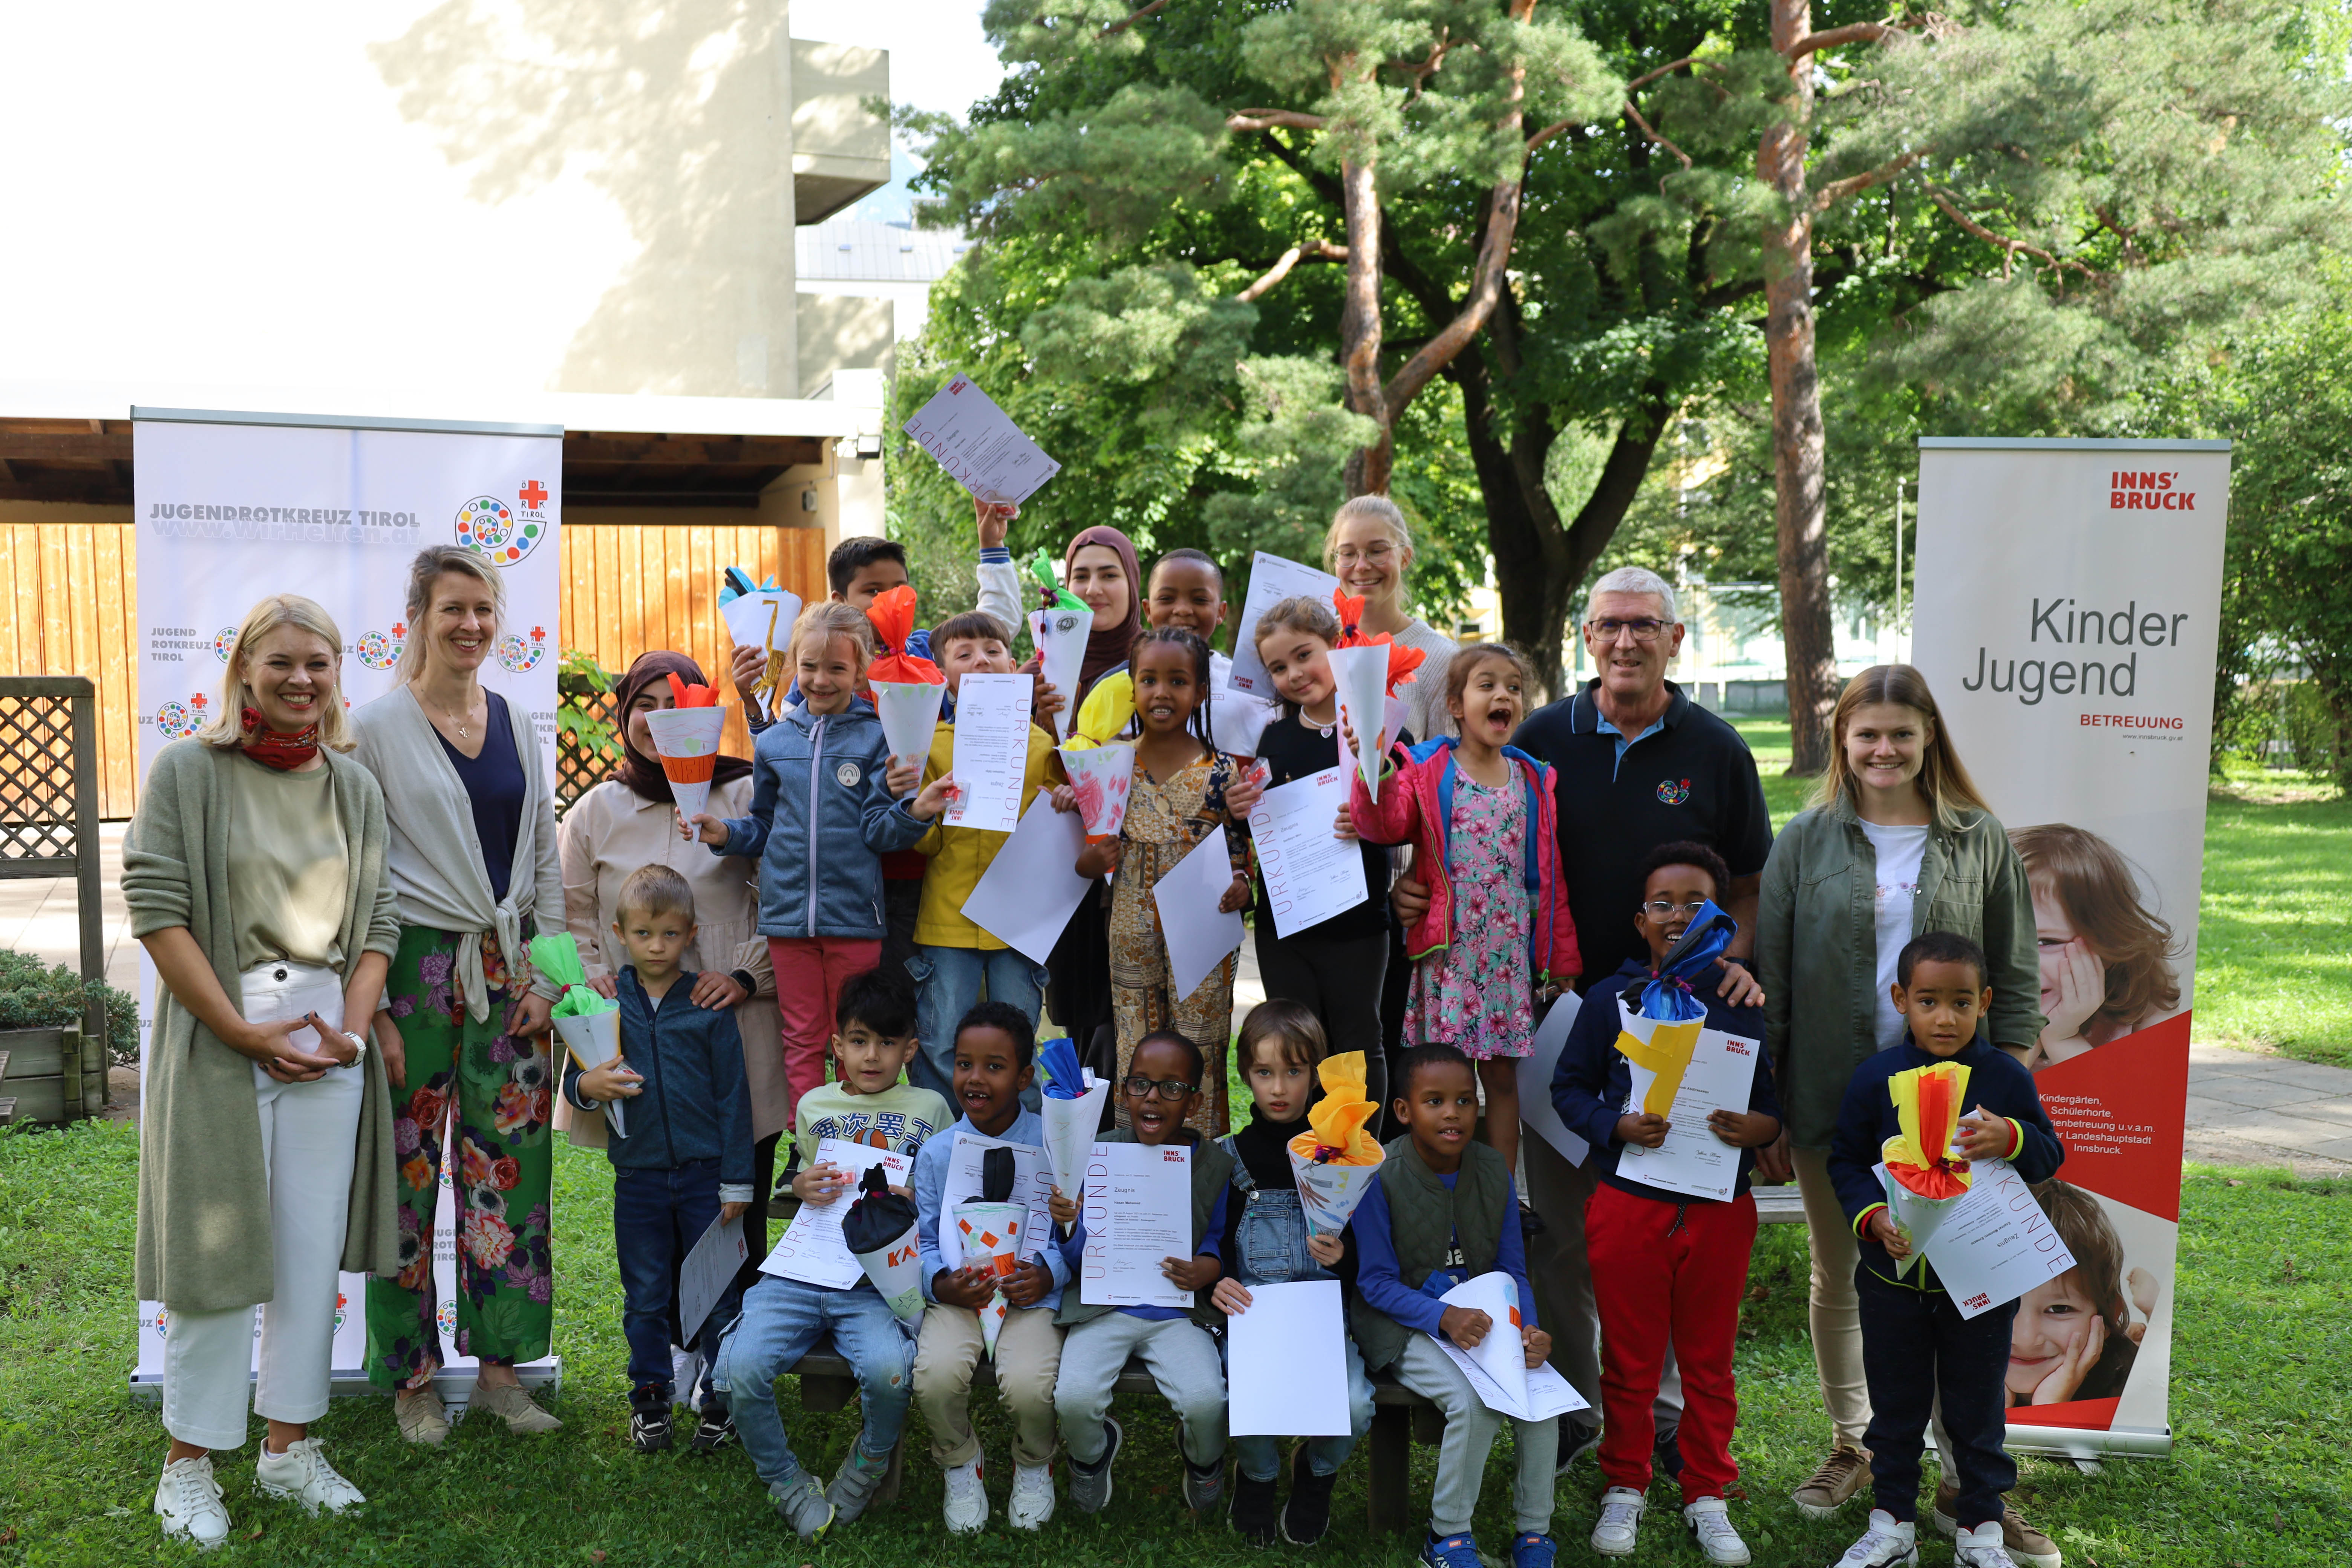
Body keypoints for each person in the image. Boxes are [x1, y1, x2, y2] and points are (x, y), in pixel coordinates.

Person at [1413, 565, 1774, 1468]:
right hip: (1563, 1020)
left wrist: (1726, 964)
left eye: (1644, 626)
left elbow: (1748, 885)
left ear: (1674, 639)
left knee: (1663, 1219)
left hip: (1680, 1022)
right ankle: (1577, 1404)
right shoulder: (1538, 737)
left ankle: (1650, 1413)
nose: (1625, 641)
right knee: (1573, 1230)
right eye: (1609, 625)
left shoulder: (1717, 749)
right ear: (1586, 636)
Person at [127, 594, 401, 1545]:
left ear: (337, 674)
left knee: (305, 1252)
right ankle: (189, 1464)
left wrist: (352, 1037)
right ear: (244, 666)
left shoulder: (354, 786)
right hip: (222, 1038)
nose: (300, 680)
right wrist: (245, 1034)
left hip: (330, 1044)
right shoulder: (187, 773)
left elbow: (378, 929)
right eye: (281, 662)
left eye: (318, 664)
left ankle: (288, 1448)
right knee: (218, 1252)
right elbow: (158, 910)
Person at [1756, 665, 2047, 1542]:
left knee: (1964, 1280)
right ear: (1842, 740)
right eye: (1865, 734)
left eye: (1900, 734)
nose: (1882, 750)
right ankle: (1856, 1445)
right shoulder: (1802, 840)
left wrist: (2006, 1094)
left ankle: (1968, 1480)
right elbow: (1771, 986)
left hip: (1957, 1111)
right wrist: (1770, 1106)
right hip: (1833, 1099)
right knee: (1843, 1269)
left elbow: (2018, 976)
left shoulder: (1978, 838)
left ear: (1928, 739)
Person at [354, 545, 565, 1441]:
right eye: (453, 609)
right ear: (418, 617)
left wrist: (552, 979)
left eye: (484, 608)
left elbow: (544, 863)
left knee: (512, 1178)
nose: (472, 625)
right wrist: (366, 1011)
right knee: (404, 1180)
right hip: (411, 972)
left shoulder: (518, 721)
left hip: (509, 972)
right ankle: (411, 1379)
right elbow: (358, 875)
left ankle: (502, 1372)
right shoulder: (373, 728)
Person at [1550, 843, 1781, 1566]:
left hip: (1717, 1208)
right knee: (1628, 1357)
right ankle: (1625, 1483)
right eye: (1663, 903)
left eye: (1695, 903)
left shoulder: (1741, 1001)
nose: (1677, 915)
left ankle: (1707, 1490)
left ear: (1720, 918)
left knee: (1709, 1361)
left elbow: (1771, 1110)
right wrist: (1612, 1126)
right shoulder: (1608, 1000)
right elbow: (1569, 1090)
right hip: (1631, 1203)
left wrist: (1757, 1130)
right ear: (1640, 918)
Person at [1826, 932, 2064, 1568]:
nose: (1945, 1017)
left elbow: (2050, 1155)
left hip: (1982, 1285)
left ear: (1985, 1002)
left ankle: (1980, 1534)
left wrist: (2011, 1136)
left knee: (1978, 1413)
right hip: (1892, 1282)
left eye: (1961, 1002)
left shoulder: (2007, 1079)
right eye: (1928, 1001)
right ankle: (1891, 1527)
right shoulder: (1877, 1078)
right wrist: (1871, 1216)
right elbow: (1846, 1159)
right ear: (1902, 1000)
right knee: (1896, 1411)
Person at [732, 499, 1027, 982]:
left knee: (915, 1000)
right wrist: (751, 704)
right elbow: (786, 755)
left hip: (925, 864)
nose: (888, 598)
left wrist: (993, 549)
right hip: (851, 880)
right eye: (872, 590)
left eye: (899, 587)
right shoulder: (809, 680)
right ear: (839, 598)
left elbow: (994, 632)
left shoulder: (924, 653)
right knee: (865, 1007)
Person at [557, 651, 789, 1261]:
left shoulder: (744, 793)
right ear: (624, 712)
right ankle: (669, 1343)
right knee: (654, 1205)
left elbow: (785, 896)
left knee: (740, 1200)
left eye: (677, 705)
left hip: (736, 1018)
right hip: (637, 1030)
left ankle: (728, 1345)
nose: (661, 719)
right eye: (647, 705)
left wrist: (746, 974)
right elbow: (570, 910)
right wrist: (594, 980)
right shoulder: (596, 811)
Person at [690, 600, 956, 1119]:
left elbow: (879, 830)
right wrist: (725, 833)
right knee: (803, 1034)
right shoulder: (775, 742)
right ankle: (809, 1140)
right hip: (788, 921)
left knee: (859, 1035)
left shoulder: (878, 737)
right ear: (793, 666)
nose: (821, 679)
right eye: (809, 666)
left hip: (855, 919)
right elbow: (765, 826)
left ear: (860, 673)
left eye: (837, 668)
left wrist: (916, 812)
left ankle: (864, 1135)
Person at [709, 971, 950, 1541]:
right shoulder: (815, 1105)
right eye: (860, 1041)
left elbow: (942, 1198)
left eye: (888, 1044)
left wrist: (915, 1198)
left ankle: (866, 1467)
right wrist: (802, 1183)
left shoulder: (931, 1108)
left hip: (876, 1283)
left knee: (890, 1373)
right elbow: (802, 1182)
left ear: (910, 1048)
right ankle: (785, 1479)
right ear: (837, 1045)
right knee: (743, 1368)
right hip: (802, 1272)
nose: (873, 1056)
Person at [1347, 643, 1580, 1190]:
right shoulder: (1427, 767)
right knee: (1443, 1081)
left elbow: (1551, 880)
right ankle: (1436, 1193)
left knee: (1503, 1080)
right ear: (1455, 704)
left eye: (1514, 687)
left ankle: (1496, 1198)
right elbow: (1385, 823)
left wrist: (1561, 958)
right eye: (1487, 685)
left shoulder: (1534, 779)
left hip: (1506, 962)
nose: (1503, 695)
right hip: (1450, 959)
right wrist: (1373, 768)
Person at [561, 865, 755, 1453]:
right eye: (644, 934)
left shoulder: (706, 1006)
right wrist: (584, 1089)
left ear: (690, 934)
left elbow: (733, 1097)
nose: (656, 946)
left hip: (704, 1179)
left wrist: (737, 1184)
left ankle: (721, 1401)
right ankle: (651, 1400)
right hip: (639, 1178)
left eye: (670, 935)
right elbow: (575, 1081)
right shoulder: (604, 1003)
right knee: (645, 1293)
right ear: (620, 932)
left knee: (719, 1293)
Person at [1350, 1042, 1559, 1568]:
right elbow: (1374, 1283)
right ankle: (1446, 1538)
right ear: (1404, 1111)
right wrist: (1443, 1317)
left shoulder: (1492, 1169)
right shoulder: (1380, 1175)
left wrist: (1528, 1330)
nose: (1452, 1114)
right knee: (1474, 1403)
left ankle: (1534, 1534)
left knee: (1540, 1397)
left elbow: (1512, 1269)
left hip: (1485, 1322)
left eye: (1465, 1101)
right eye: (1435, 1101)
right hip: (1402, 1325)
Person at [1066, 627, 1254, 1135]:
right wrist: (1091, 858)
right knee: (1136, 1042)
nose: (1162, 692)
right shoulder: (1110, 765)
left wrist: (1244, 887)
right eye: (1148, 680)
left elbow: (1245, 855)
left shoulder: (1225, 773)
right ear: (1133, 686)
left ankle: (1203, 1160)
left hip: (1205, 935)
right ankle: (1136, 1165)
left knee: (1203, 1039)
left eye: (1178, 681)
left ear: (1199, 692)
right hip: (1130, 932)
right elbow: (1084, 864)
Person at [1051, 1030, 1235, 1518]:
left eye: (1172, 1088)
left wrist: (1206, 1269)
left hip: (1177, 1312)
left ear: (1194, 1100)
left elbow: (1216, 1243)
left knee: (1206, 1401)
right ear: (1124, 1092)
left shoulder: (1213, 1165)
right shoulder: (1098, 1153)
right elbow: (1077, 1261)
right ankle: (1091, 1457)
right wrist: (1069, 1222)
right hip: (1105, 1307)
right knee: (1072, 1396)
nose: (1153, 1097)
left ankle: (1204, 1461)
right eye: (1141, 1084)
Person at [1210, 1001, 1374, 1547]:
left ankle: (1317, 1472)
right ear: (1245, 1076)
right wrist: (1220, 1279)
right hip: (1253, 1315)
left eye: (1295, 1071)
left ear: (1317, 1074)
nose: (1279, 1088)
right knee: (1241, 1395)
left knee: (1354, 1406)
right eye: (1264, 1073)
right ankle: (1257, 1476)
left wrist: (1343, 1259)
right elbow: (1213, 1240)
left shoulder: (1343, 1155)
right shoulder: (1228, 1158)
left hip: (1325, 1320)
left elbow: (1370, 1257)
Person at [912, 1001, 1070, 1534]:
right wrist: (941, 1282)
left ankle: (1034, 1459)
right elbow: (924, 1235)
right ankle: (959, 1459)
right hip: (962, 1296)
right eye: (964, 1064)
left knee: (1030, 1383)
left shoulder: (1055, 1145)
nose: (975, 1079)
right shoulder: (937, 1153)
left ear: (1025, 1076)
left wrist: (1048, 1273)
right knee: (934, 1377)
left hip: (1030, 1295)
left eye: (995, 1066)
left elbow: (1075, 1233)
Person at [904, 610, 1062, 1102]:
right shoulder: (930, 746)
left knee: (1018, 1046)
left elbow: (1056, 842)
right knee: (942, 1043)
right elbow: (923, 846)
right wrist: (920, 810)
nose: (982, 661)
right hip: (946, 923)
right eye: (964, 653)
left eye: (993, 651)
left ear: (1014, 665)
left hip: (1017, 927)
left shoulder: (1044, 747)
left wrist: (1064, 802)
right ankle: (945, 1149)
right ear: (942, 671)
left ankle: (1025, 1155)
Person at [1248, 595, 1408, 1079]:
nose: (1294, 673)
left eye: (1303, 655)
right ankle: (1303, 1150)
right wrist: (1241, 809)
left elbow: (1403, 811)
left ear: (1336, 647)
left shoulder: (1380, 726)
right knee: (1295, 1044)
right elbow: (1257, 824)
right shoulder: (1272, 740)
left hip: (1356, 923)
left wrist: (1370, 799)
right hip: (1287, 925)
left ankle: (1360, 1152)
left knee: (1358, 1040)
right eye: (1278, 667)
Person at [1044, 522, 1145, 1055]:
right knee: (1079, 1023)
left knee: (1126, 1022)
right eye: (1079, 576)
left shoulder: (1156, 670)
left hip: (1135, 876)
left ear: (1133, 585)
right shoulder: (1041, 673)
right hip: (1062, 875)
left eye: (1109, 574)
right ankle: (1082, 1131)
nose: (1092, 588)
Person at [2010, 824, 2185, 1068]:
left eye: (2045, 941)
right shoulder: (1955, 1001)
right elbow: (1967, 1104)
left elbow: (2139, 1104)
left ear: (2107, 944)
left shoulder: (2146, 989)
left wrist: (2063, 1039)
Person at [1325, 495, 1461, 745]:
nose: (1362, 565)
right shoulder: (1316, 643)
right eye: (1348, 554)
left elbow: (1448, 770)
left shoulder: (1442, 658)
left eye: (1377, 551)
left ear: (1406, 557)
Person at [2007, 1181, 2152, 1411]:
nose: (2025, 1339)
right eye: (2000, 1307)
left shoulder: (2127, 1386)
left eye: (2059, 1309)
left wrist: (2050, 1410)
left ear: (2107, 1317)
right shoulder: (1937, 1368)